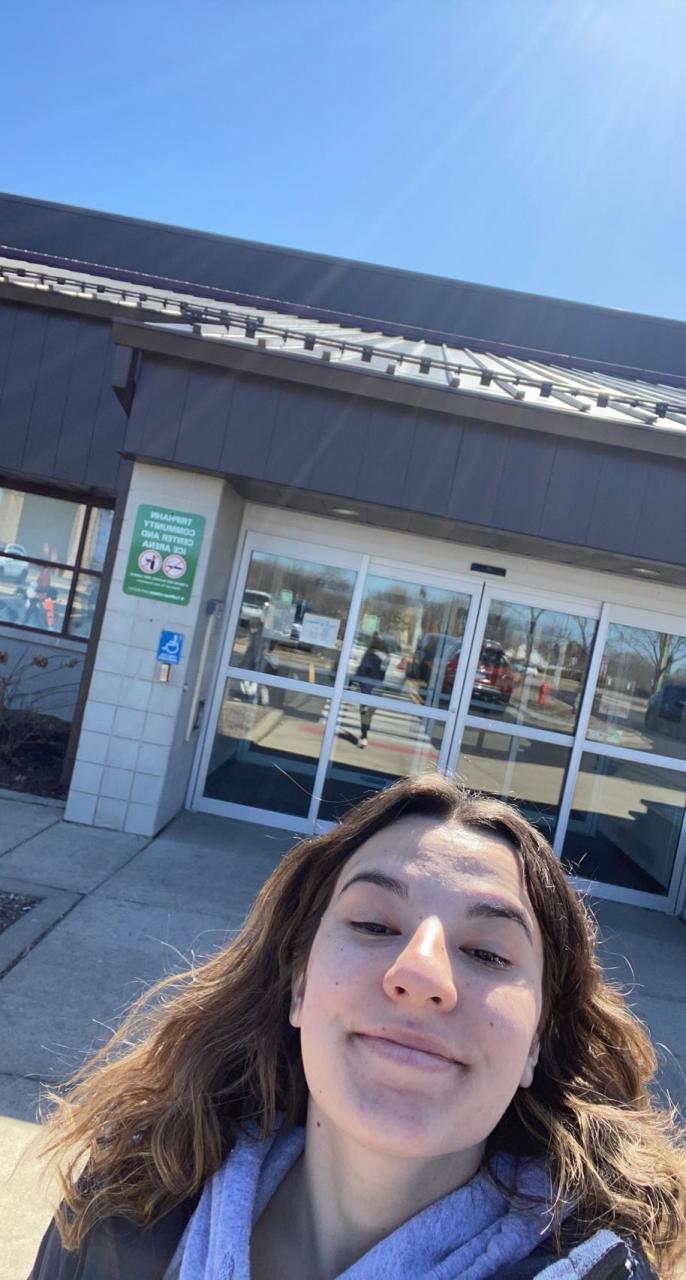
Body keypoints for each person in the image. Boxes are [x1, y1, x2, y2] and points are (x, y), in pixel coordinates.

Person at [30, 774, 686, 1279]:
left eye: (488, 954)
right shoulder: (120, 1210)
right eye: (373, 924)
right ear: (299, 985)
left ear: (536, 1043)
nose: (421, 973)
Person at [354, 633, 389, 747]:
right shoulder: (386, 657)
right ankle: (365, 731)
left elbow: (362, 671)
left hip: (367, 688)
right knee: (369, 713)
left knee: (364, 712)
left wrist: (358, 681)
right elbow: (383, 674)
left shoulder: (369, 655)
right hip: (378, 688)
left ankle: (364, 735)